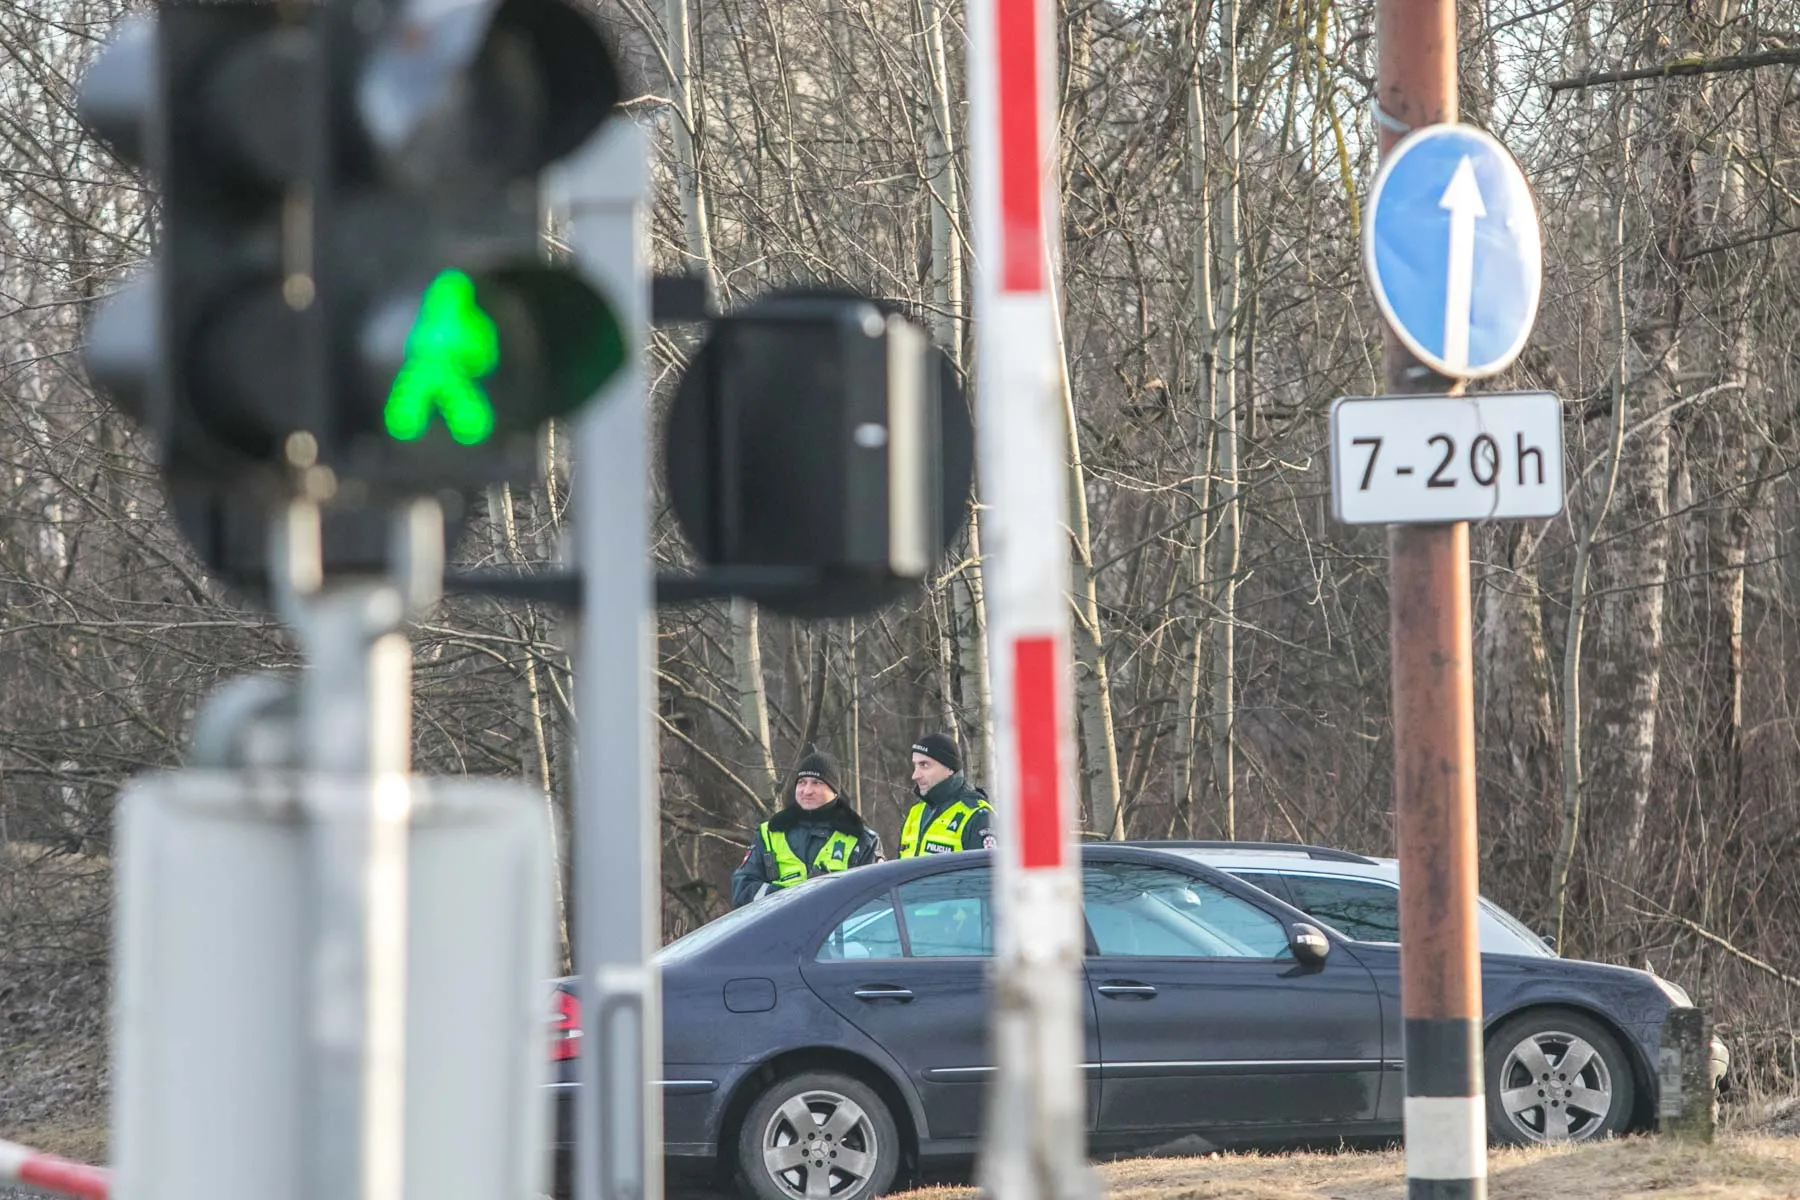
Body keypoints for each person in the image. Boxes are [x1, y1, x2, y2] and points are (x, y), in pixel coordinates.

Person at [732, 750, 884, 907]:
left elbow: (876, 900)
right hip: (782, 928)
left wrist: (828, 891)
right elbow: (742, 889)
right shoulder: (769, 833)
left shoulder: (862, 839)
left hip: (842, 930)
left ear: (834, 790)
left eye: (816, 783)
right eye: (802, 782)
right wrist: (786, 895)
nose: (807, 791)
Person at [899, 732, 995, 856]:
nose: (915, 775)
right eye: (915, 766)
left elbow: (988, 873)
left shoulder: (977, 816)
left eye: (924, 765)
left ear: (950, 768)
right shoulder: (916, 812)